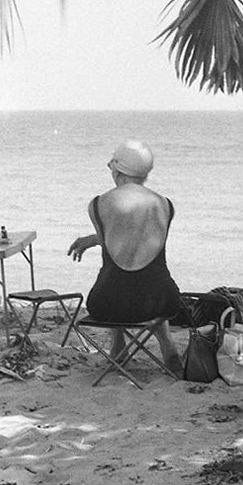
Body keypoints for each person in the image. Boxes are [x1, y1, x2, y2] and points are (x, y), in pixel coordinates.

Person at [67, 139, 186, 373]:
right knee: (150, 283)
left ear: (119, 170)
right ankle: (167, 346)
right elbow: (138, 238)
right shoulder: (165, 205)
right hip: (163, 301)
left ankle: (118, 345)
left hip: (109, 304)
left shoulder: (98, 204)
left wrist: (93, 239)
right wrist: (92, 240)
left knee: (115, 278)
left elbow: (116, 240)